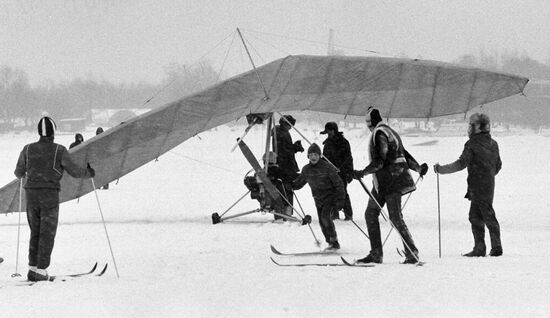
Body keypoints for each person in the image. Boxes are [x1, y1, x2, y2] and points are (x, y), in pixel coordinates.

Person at [14, 116, 95, 281]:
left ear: (39, 131)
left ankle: (32, 268)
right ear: (53, 132)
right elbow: (74, 171)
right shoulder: (59, 150)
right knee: (47, 233)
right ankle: (42, 271)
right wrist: (89, 172)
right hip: (49, 195)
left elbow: (18, 173)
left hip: (31, 195)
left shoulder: (27, 149)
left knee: (35, 232)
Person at [353, 107, 428, 264]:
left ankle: (411, 253)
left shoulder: (379, 134)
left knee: (394, 218)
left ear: (370, 124)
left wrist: (363, 172)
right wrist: (419, 168)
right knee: (372, 213)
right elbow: (404, 155)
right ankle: (376, 253)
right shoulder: (391, 132)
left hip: (391, 182)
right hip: (386, 183)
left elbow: (380, 160)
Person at [434, 113, 502, 257]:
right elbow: (498, 165)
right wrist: (488, 175)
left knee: (486, 215)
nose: (469, 129)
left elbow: (461, 163)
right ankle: (480, 248)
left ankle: (494, 247)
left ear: (477, 127)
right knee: (476, 215)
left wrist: (442, 169)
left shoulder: (472, 144)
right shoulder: (493, 144)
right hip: (488, 184)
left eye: (471, 125)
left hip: (478, 185)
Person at [293, 143, 345, 250]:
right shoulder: (306, 169)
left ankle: (334, 241)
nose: (313, 157)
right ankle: (330, 242)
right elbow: (300, 183)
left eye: (316, 155)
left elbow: (338, 183)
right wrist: (291, 185)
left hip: (330, 197)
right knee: (322, 222)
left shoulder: (327, 167)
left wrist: (340, 199)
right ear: (308, 156)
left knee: (326, 217)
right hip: (318, 199)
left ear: (320, 155)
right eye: (311, 155)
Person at [321, 121, 354, 221]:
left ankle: (348, 214)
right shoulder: (327, 144)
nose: (328, 134)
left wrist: (349, 172)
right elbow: (325, 158)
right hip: (330, 173)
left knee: (342, 192)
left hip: (342, 172)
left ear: (335, 130)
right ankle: (334, 215)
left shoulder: (344, 142)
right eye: (327, 132)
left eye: (330, 131)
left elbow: (349, 158)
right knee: (331, 192)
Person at [272, 115, 304, 217]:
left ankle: (285, 212)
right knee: (286, 190)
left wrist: (294, 147)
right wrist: (295, 148)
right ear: (284, 124)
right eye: (289, 125)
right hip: (284, 167)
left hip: (286, 166)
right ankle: (285, 212)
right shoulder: (280, 133)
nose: (290, 127)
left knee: (286, 190)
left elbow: (286, 149)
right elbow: (283, 152)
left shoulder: (282, 132)